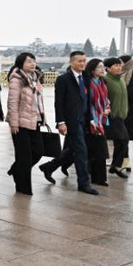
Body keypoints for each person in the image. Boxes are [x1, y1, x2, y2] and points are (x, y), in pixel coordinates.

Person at [39, 51, 99, 195]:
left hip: (84, 120)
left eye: (84, 61)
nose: (83, 63)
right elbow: (58, 102)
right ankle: (84, 184)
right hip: (72, 121)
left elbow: (88, 100)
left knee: (73, 150)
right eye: (79, 61)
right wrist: (60, 122)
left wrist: (91, 119)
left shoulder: (86, 77)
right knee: (82, 152)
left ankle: (49, 167)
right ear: (71, 62)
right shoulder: (63, 79)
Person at [6, 53, 45, 195]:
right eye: (29, 61)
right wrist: (14, 123)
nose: (32, 64)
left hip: (35, 121)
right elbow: (12, 102)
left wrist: (42, 117)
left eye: (34, 61)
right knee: (24, 156)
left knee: (38, 151)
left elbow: (39, 100)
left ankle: (16, 170)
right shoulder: (17, 79)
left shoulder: (35, 78)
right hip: (20, 122)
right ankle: (23, 187)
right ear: (20, 63)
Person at [103, 57, 129, 180]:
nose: (119, 68)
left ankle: (115, 165)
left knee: (123, 141)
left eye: (120, 65)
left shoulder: (121, 80)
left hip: (120, 116)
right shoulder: (105, 80)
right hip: (110, 116)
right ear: (108, 68)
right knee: (122, 140)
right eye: (116, 65)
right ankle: (115, 166)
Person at [119, 55, 133, 173]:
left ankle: (125, 161)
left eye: (121, 63)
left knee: (123, 138)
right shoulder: (122, 75)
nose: (119, 65)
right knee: (122, 138)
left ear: (127, 64)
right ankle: (123, 161)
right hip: (123, 111)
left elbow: (132, 96)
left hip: (129, 113)